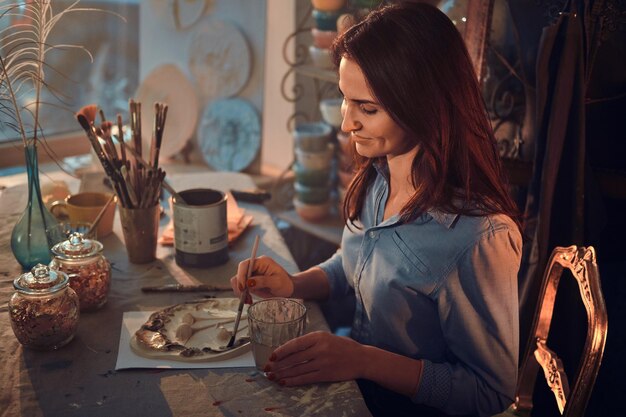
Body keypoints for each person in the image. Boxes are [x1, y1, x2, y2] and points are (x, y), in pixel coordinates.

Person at [231, 3, 522, 416]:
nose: (347, 123)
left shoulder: (477, 236)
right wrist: (293, 285)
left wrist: (364, 359)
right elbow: (354, 265)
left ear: (425, 105)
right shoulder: (379, 176)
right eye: (344, 100)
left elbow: (490, 392)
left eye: (367, 109)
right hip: (357, 391)